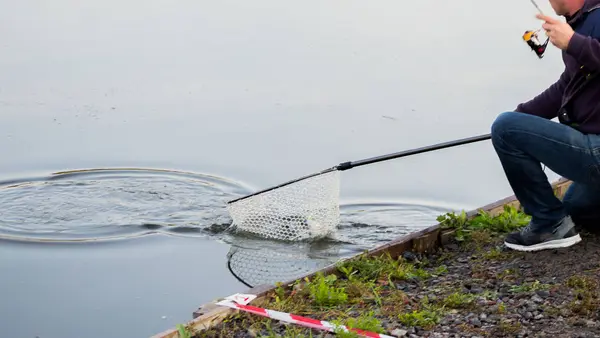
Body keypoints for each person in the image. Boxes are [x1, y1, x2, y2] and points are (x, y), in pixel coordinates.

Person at [490, 0, 600, 252]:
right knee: (577, 208)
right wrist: (522, 118)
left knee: (506, 127)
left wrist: (574, 43)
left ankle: (548, 224)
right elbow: (567, 86)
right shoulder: (583, 23)